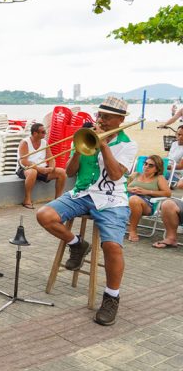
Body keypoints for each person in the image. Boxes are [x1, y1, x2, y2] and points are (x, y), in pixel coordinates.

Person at [36, 96, 138, 326]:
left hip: (112, 199)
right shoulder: (86, 137)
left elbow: (115, 175)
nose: (100, 120)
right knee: (44, 215)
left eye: (106, 117)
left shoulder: (128, 145)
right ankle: (77, 244)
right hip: (83, 194)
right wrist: (79, 149)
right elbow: (70, 173)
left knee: (112, 246)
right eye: (99, 115)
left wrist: (102, 146)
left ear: (120, 120)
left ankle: (112, 297)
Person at [16, 123, 67, 208]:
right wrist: (38, 169)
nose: (45, 133)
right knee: (33, 172)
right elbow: (24, 161)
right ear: (35, 133)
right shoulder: (25, 142)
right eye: (43, 132)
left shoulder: (44, 142)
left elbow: (51, 158)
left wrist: (51, 168)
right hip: (26, 168)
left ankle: (58, 199)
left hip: (42, 168)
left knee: (62, 172)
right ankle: (27, 199)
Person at [126, 155, 171, 242]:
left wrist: (146, 192)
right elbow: (120, 187)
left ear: (157, 168)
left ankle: (132, 230)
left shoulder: (159, 178)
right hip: (126, 201)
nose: (146, 166)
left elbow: (167, 193)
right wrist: (130, 189)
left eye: (151, 165)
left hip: (147, 204)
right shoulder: (135, 175)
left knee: (134, 200)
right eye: (145, 164)